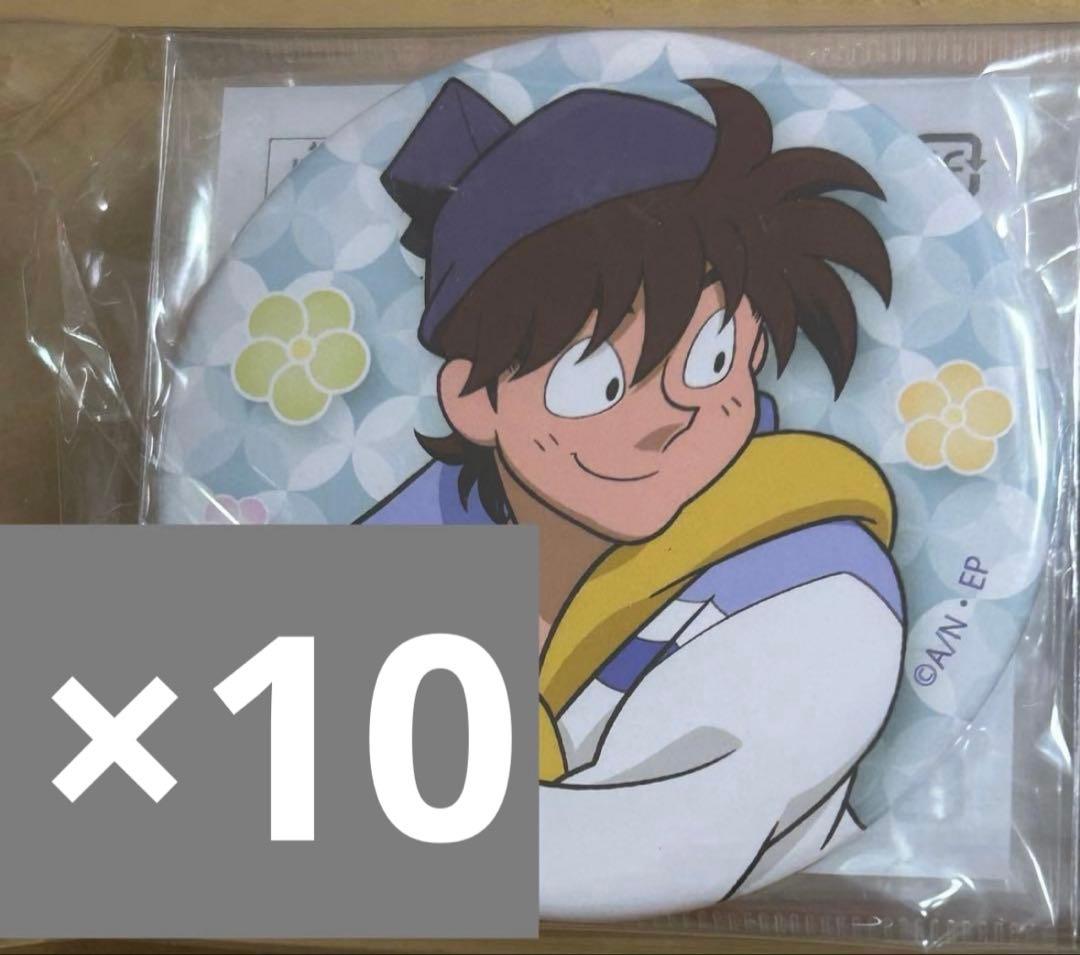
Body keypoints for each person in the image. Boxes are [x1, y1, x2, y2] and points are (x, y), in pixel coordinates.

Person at [360, 76, 905, 914]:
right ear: (473, 398)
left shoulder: (814, 585)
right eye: (598, 381)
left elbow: (638, 849)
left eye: (711, 359)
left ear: (754, 347)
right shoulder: (402, 555)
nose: (671, 419)